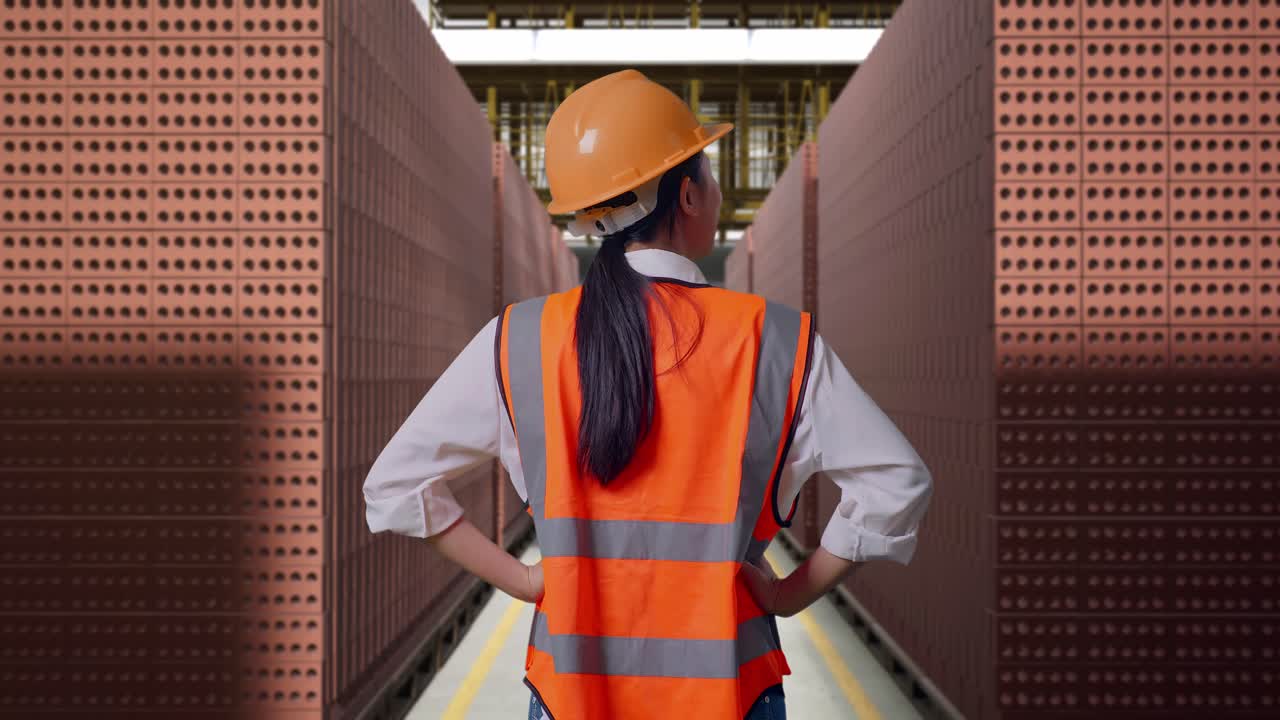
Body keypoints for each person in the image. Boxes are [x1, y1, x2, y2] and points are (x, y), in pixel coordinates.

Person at [363, 69, 934, 720]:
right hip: (731, 699)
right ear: (687, 196)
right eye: (711, 178)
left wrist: (524, 580)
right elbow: (898, 483)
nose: (717, 194)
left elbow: (395, 486)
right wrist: (790, 595)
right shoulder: (776, 342)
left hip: (572, 697)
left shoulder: (520, 340)